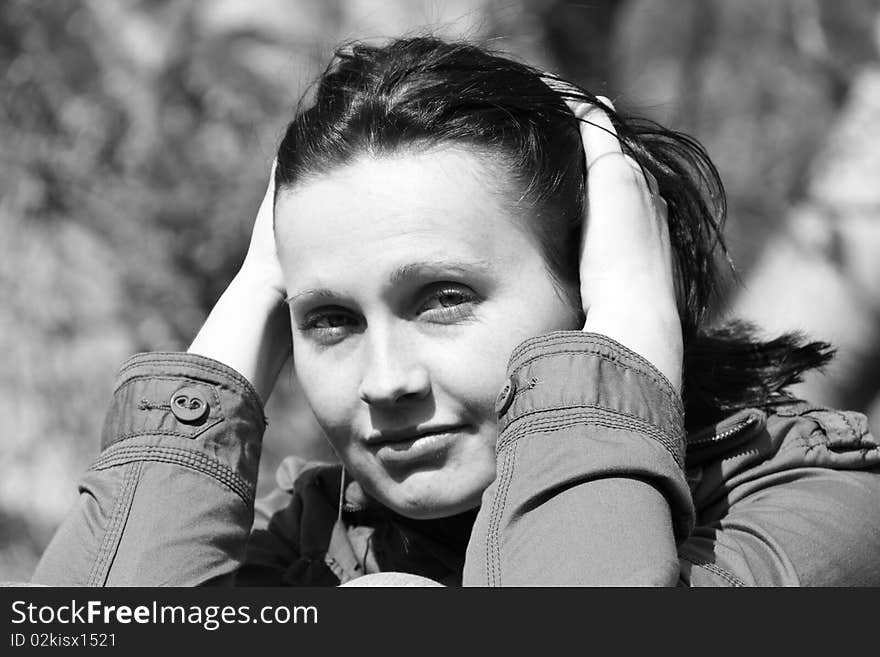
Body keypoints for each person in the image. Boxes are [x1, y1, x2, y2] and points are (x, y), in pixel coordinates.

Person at [31, 37, 880, 587]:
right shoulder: (299, 544)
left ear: (591, 286)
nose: (386, 382)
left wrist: (626, 313)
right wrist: (258, 283)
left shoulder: (816, 513)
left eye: (443, 300)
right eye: (330, 319)